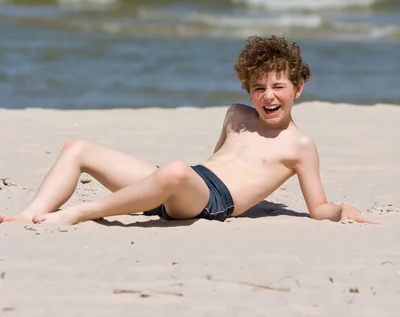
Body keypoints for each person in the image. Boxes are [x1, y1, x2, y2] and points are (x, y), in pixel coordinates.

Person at [0, 36, 376, 226]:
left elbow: (318, 208)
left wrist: (341, 209)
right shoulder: (236, 114)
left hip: (209, 202)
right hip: (183, 184)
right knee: (77, 146)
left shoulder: (300, 145)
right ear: (248, 90)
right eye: (259, 88)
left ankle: (82, 213)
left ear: (298, 89)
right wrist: (174, 182)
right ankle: (31, 212)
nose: (268, 96)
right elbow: (216, 159)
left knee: (176, 170)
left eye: (278, 87)